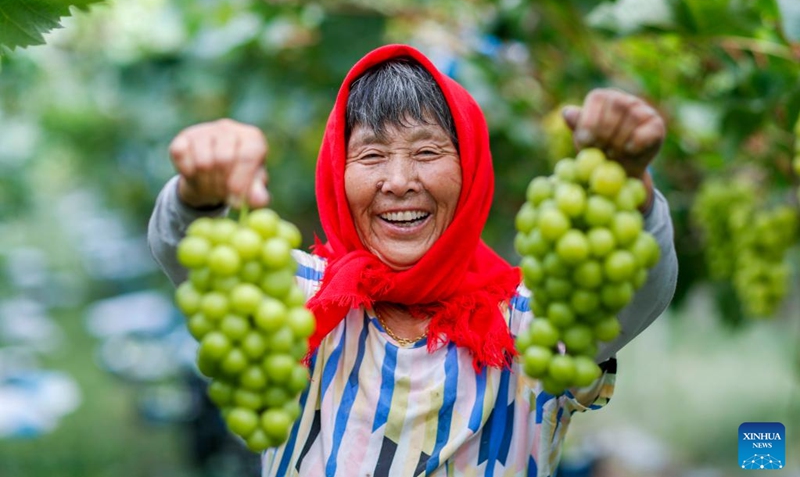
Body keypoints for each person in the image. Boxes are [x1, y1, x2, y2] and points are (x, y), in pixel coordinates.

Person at [148, 44, 677, 476]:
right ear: (338, 171)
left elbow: (643, 286)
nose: (399, 182)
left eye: (427, 153)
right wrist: (201, 191)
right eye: (372, 155)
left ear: (470, 171)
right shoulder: (294, 301)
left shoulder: (531, 327)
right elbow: (191, 250)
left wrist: (631, 185)